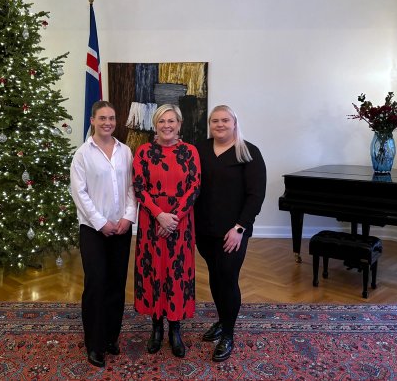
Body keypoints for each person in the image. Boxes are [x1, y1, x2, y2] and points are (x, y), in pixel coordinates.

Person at [194, 104, 266, 362]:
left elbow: (255, 196)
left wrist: (239, 228)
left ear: (234, 123)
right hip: (204, 229)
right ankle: (222, 319)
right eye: (215, 121)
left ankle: (228, 333)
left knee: (227, 276)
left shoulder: (248, 152)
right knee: (215, 276)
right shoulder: (199, 149)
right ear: (210, 125)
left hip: (233, 231)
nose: (220, 124)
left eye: (225, 120)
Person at [70, 100, 137, 368]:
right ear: (93, 121)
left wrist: (128, 217)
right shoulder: (82, 154)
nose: (108, 123)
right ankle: (95, 344)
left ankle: (111, 337)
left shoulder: (125, 151)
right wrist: (100, 223)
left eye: (111, 118)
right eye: (102, 118)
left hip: (121, 228)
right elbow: (79, 194)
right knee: (96, 284)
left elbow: (132, 187)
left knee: (116, 285)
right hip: (93, 230)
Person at [132, 104, 201, 358]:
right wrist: (160, 216)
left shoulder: (190, 151)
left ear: (179, 124)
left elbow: (194, 187)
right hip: (152, 221)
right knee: (154, 272)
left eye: (171, 121)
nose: (167, 125)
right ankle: (156, 327)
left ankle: (175, 329)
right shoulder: (143, 152)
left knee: (176, 273)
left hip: (180, 223)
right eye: (162, 121)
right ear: (155, 125)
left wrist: (173, 218)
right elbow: (138, 187)